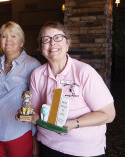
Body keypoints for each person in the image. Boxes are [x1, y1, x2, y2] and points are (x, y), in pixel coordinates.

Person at [29, 21, 116, 157]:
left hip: (84, 150)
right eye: (46, 39)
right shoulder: (37, 74)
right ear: (41, 47)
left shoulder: (84, 72)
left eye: (58, 37)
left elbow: (108, 114)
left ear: (67, 43)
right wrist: (27, 116)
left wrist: (73, 124)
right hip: (48, 144)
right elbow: (35, 111)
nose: (52, 43)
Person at [0, 21, 41, 157]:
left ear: (21, 42)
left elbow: (37, 101)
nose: (8, 40)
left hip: (18, 130)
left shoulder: (32, 65)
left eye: (14, 36)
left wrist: (35, 136)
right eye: (4, 37)